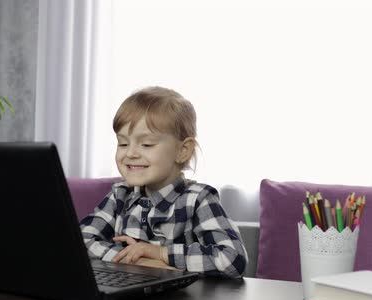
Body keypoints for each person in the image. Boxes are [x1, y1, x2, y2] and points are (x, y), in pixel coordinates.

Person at [79, 86, 247, 278]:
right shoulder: (120, 195)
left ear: (183, 150)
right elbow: (78, 242)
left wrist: (161, 254)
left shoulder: (198, 199)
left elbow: (233, 259)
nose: (130, 153)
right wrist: (136, 260)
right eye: (123, 143)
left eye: (147, 144)